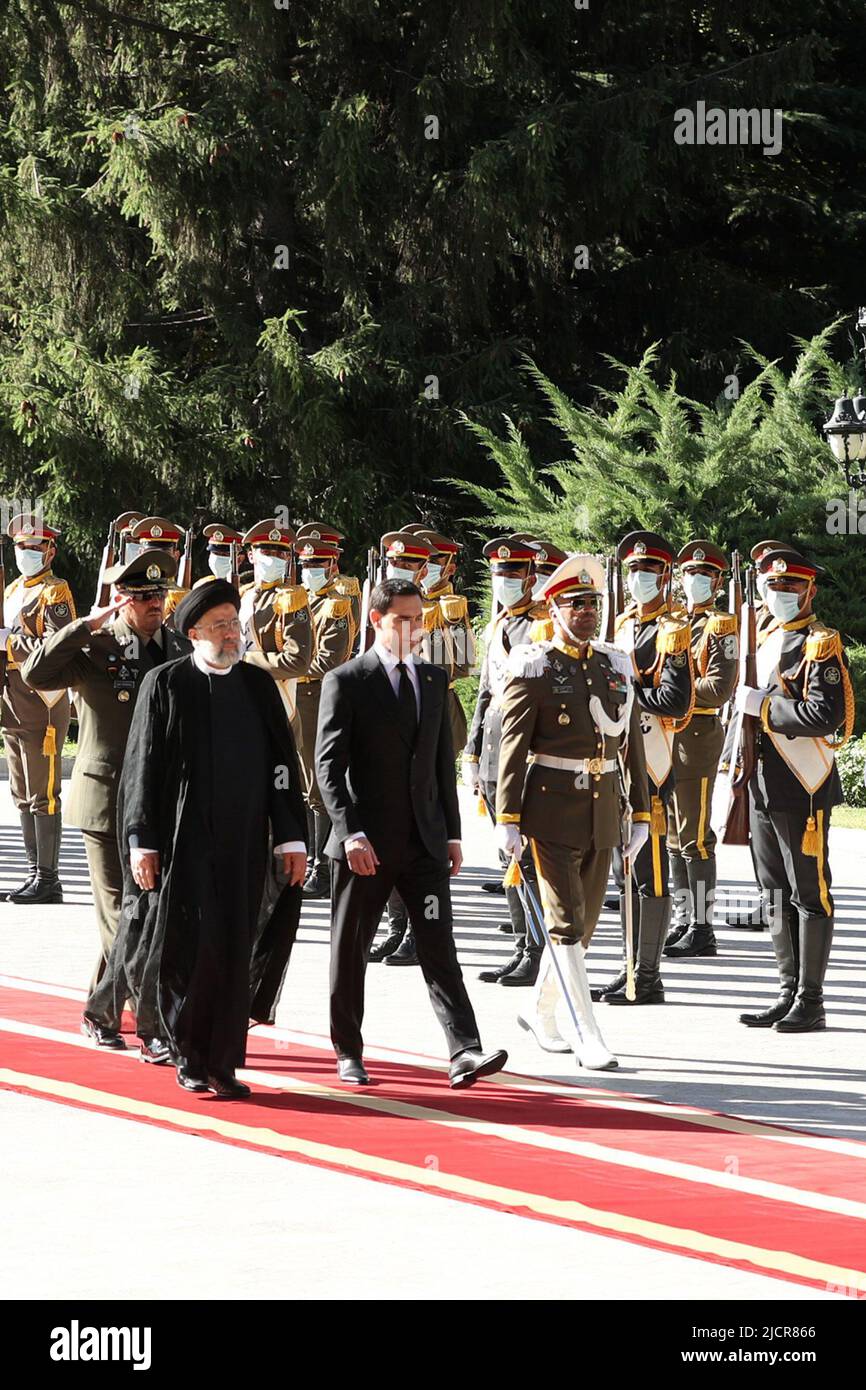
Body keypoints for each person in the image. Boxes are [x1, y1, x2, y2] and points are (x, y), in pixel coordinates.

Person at [110, 580, 308, 1096]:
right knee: (187, 950)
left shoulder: (258, 686)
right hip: (182, 844)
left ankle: (222, 1062)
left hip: (244, 843)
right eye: (219, 626)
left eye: (235, 624)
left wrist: (291, 837)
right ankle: (189, 1055)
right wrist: (141, 840)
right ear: (193, 632)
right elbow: (143, 768)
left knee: (232, 950)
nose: (230, 635)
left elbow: (283, 766)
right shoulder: (166, 683)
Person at [315, 577, 507, 1088]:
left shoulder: (433, 679)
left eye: (418, 619)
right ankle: (348, 1050)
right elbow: (328, 767)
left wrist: (451, 833)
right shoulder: (348, 680)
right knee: (350, 948)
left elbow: (441, 763)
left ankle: (464, 1048)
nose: (413, 629)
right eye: (402, 619)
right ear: (376, 620)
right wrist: (350, 834)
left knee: (439, 945)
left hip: (423, 841)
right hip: (366, 846)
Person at [21, 551, 189, 1052]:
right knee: (123, 912)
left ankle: (100, 1010)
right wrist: (80, 625)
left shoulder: (178, 648)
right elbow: (35, 674)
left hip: (158, 800)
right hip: (105, 796)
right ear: (122, 601)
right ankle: (153, 1024)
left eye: (159, 595)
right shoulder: (95, 646)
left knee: (146, 911)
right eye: (142, 597)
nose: (154, 604)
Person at [495, 555, 650, 1069]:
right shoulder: (535, 666)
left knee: (582, 928)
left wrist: (644, 816)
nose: (586, 612)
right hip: (550, 811)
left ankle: (539, 1012)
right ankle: (588, 1034)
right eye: (575, 603)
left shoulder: (614, 664)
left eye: (593, 603)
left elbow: (630, 744)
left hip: (604, 809)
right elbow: (513, 749)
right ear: (553, 608)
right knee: (564, 924)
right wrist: (508, 819)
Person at [730, 546, 854, 1033]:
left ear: (809, 591)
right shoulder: (759, 635)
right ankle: (786, 990)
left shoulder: (820, 645)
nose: (780, 594)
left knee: (809, 890)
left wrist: (762, 707)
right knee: (773, 892)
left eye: (791, 587)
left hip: (802, 784)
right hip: (759, 781)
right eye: (772, 586)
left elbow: (826, 716)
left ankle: (812, 999)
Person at [593, 530, 693, 1006]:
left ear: (664, 576)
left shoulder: (672, 631)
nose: (638, 579)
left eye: (648, 572)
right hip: (620, 761)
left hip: (651, 765)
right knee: (625, 871)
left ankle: (648, 976)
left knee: (650, 871)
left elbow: (677, 698)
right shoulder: (622, 624)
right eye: (633, 571)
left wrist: (630, 695)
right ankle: (629, 967)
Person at [375, 525, 477, 967]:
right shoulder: (378, 602)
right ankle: (398, 927)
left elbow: (464, 663)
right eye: (394, 562)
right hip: (388, 713)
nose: (400, 569)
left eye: (408, 563)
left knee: (426, 826)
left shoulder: (445, 609)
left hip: (431, 716)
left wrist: (433, 635)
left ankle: (421, 928)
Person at [462, 536, 549, 985]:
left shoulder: (540, 627)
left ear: (531, 579)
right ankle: (520, 945)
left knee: (528, 856)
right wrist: (473, 750)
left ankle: (537, 949)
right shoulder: (499, 625)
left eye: (514, 575)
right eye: (499, 575)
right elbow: (485, 691)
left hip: (526, 752)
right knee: (506, 856)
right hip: (496, 748)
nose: (506, 582)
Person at [664, 540, 738, 959]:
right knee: (672, 837)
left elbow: (719, 687)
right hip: (667, 736)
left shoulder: (721, 627)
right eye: (689, 574)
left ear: (716, 581)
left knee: (694, 837)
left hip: (697, 735)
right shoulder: (673, 622)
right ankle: (682, 920)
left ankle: (702, 927)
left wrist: (673, 692)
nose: (694, 581)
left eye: (703, 575)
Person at [1, 514, 76, 904]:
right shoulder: (13, 589)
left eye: (34, 547)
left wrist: (10, 643)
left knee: (43, 791)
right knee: (20, 791)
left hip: (41, 699)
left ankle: (49, 878)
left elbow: (59, 647)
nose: (26, 553)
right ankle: (33, 873)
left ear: (50, 551)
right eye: (20, 547)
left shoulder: (55, 592)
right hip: (12, 701)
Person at [294, 535, 356, 898]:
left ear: (333, 566)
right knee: (301, 781)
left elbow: (331, 657)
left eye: (318, 564)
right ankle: (306, 857)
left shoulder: (336, 605)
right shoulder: (300, 601)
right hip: (295, 696)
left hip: (317, 696)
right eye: (305, 564)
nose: (311, 570)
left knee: (318, 782)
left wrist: (286, 669)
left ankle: (321, 864)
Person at [128, 516, 189, 626]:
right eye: (150, 553)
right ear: (140, 553)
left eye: (163, 554)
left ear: (176, 555)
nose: (156, 559)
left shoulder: (185, 598)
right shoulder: (129, 595)